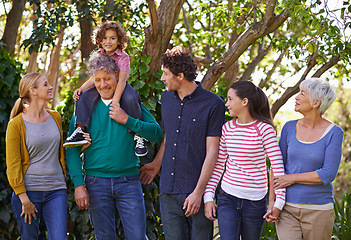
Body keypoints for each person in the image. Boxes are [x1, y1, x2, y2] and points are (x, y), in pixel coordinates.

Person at [66, 53, 163, 240]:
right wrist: (78, 184)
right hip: (95, 183)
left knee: (137, 236)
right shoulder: (83, 109)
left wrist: (127, 120)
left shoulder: (129, 102)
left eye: (107, 79)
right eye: (98, 80)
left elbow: (156, 133)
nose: (103, 85)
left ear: (117, 76)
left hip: (129, 182)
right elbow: (72, 150)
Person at [140, 46, 225, 240]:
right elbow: (170, 135)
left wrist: (199, 193)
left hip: (196, 192)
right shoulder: (166, 99)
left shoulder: (213, 104)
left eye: (166, 74)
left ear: (180, 75)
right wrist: (156, 164)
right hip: (168, 190)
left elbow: (213, 152)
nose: (162, 78)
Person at [203, 80, 286, 240]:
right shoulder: (227, 128)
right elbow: (219, 165)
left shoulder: (264, 129)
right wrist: (208, 196)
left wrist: (278, 202)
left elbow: (277, 167)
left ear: (244, 101)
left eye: (230, 99)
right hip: (228, 197)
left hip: (255, 201)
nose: (226, 104)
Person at [64, 21, 148, 157]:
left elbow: (121, 80)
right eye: (105, 38)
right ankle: (80, 130)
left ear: (119, 40)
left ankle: (139, 137)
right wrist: (81, 88)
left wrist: (116, 101)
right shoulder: (99, 54)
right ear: (99, 40)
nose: (108, 41)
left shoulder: (123, 57)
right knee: (83, 96)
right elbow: (94, 78)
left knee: (131, 98)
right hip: (104, 86)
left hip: (120, 86)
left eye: (112, 38)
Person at [274, 78, 344, 240]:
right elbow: (277, 168)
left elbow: (327, 174)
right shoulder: (289, 127)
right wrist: (273, 202)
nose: (296, 97)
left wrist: (291, 178)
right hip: (287, 209)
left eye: (302, 93)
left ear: (316, 103)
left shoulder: (334, 133)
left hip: (318, 210)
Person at [6, 73, 68, 239]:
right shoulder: (16, 124)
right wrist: (24, 199)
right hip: (28, 193)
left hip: (57, 189)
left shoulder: (55, 117)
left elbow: (59, 151)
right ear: (33, 91)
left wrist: (82, 145)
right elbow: (13, 164)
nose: (51, 87)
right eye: (45, 85)